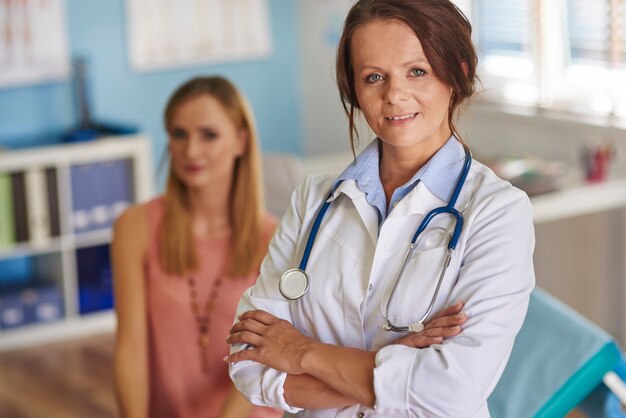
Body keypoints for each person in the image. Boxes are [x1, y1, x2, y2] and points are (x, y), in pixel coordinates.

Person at [225, 0, 536, 417]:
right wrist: (396, 363)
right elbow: (248, 362)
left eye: (417, 71)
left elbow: (450, 391)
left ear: (458, 73)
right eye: (374, 77)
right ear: (354, 89)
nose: (394, 95)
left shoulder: (498, 213)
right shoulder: (311, 203)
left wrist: (302, 353)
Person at [112, 76, 282, 418]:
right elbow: (130, 345)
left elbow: (260, 356)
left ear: (241, 141)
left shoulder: (274, 238)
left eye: (209, 135)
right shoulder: (135, 227)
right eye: (179, 134)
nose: (190, 150)